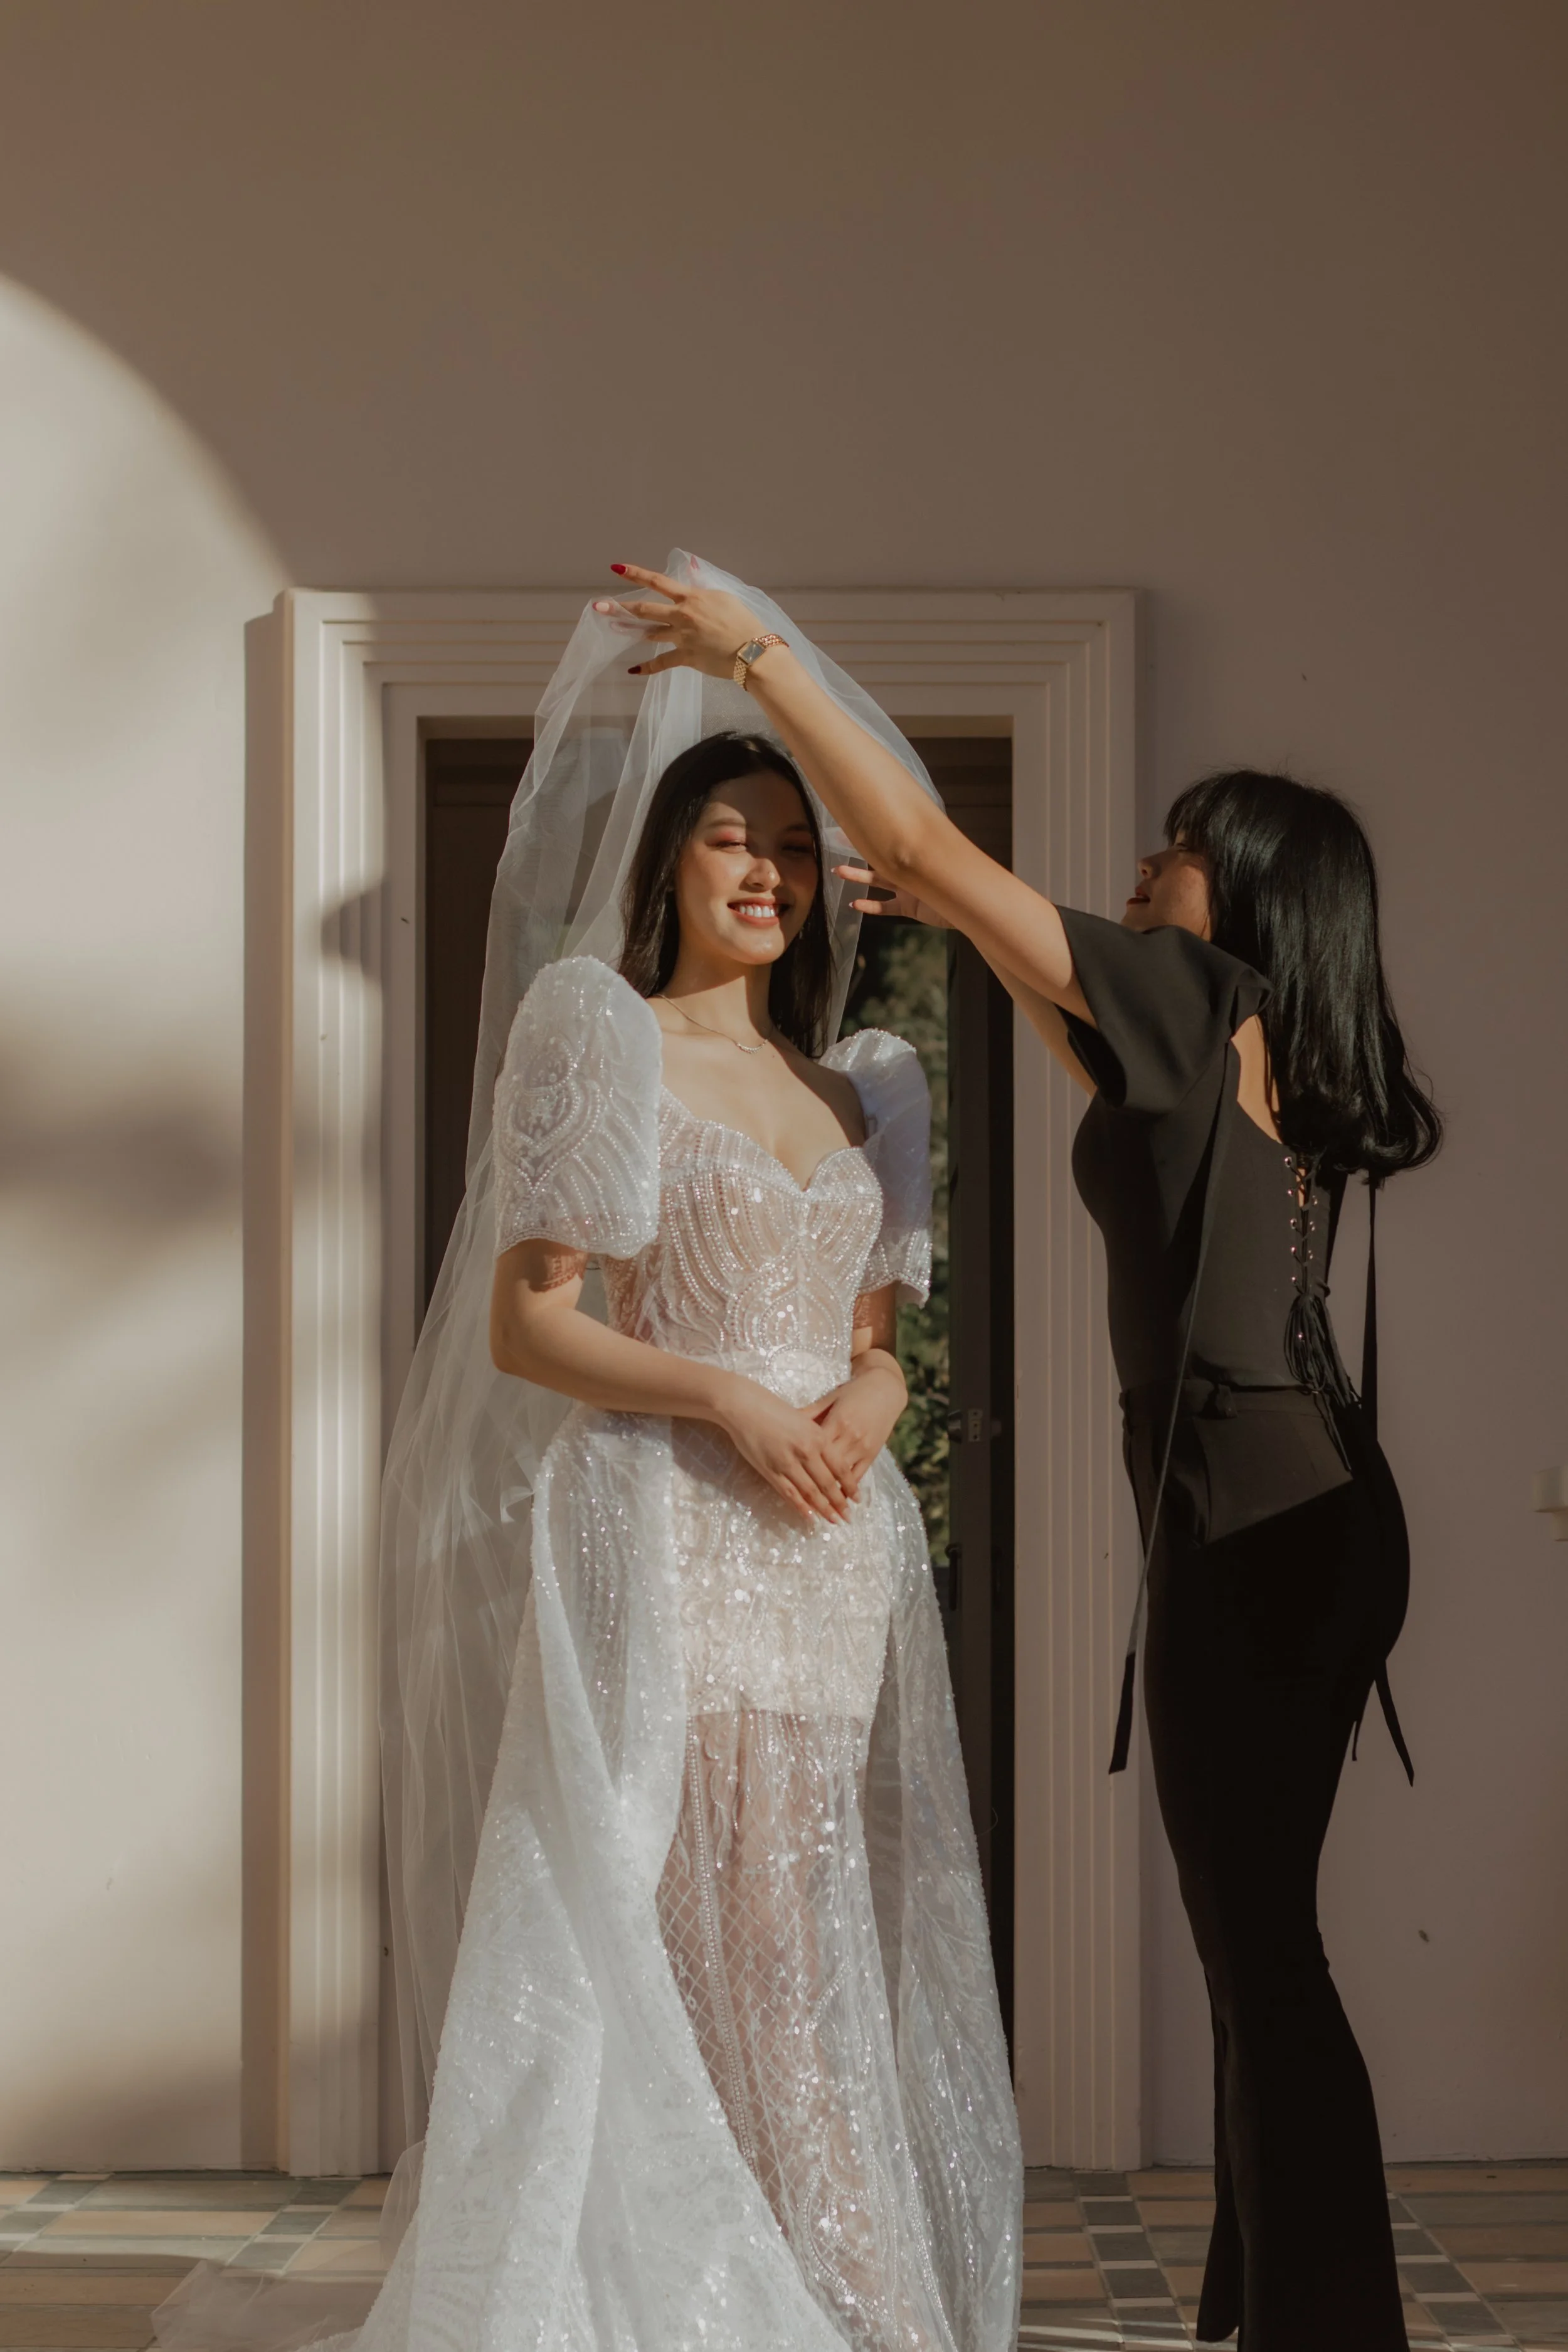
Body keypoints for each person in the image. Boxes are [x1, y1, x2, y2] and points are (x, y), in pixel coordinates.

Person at [158, 562, 1019, 2352]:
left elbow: (875, 1348)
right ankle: (758, 2308)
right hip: (669, 1523)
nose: (768, 867)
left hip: (824, 1553)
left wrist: (866, 1409)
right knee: (699, 1932)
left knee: (797, 1927)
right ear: (667, 861)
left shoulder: (870, 1078)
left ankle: (816, 2288)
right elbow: (528, 1322)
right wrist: (720, 1398)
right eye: (732, 837)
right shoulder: (599, 1031)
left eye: (793, 840)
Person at [611, 559, 1441, 2352]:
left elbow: (915, 834)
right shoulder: (1235, 1034)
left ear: (1242, 896)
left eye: (1177, 844)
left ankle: (1332, 2327)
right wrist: (910, 879)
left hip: (1254, 1527)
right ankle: (1268, 2295)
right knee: (1259, 1941)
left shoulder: (1176, 987)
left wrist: (753, 648)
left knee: (1260, 1954)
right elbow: (936, 882)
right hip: (1321, 1513)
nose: (1144, 868)